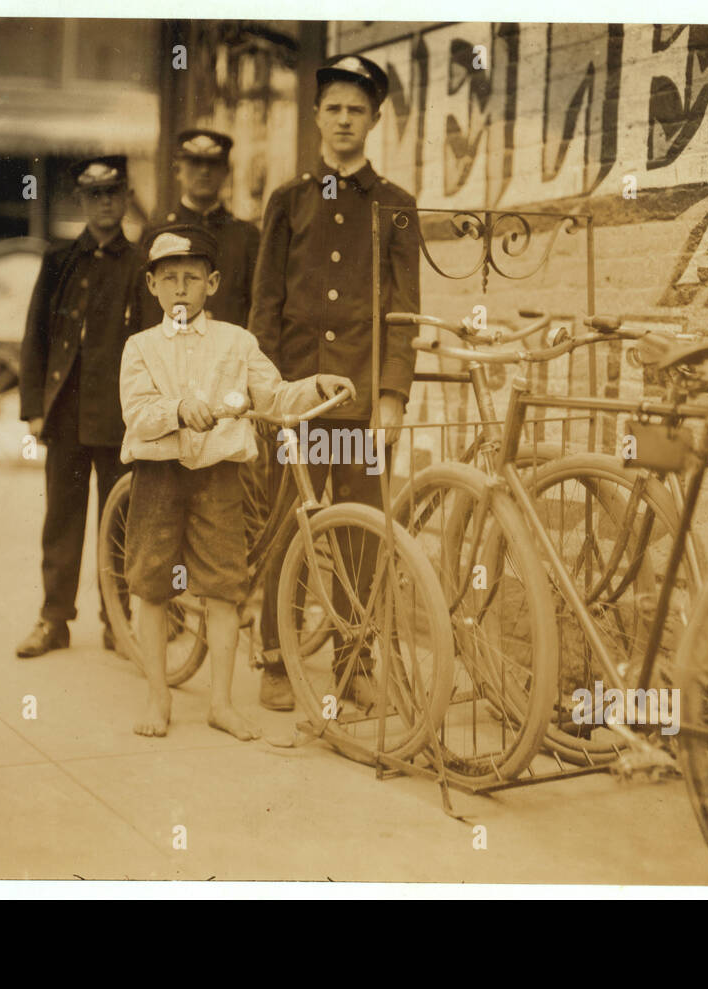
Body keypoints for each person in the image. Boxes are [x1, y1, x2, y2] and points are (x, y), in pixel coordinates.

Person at [119, 224, 354, 738]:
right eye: (169, 278)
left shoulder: (237, 342)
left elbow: (272, 396)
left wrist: (315, 385)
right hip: (159, 475)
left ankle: (221, 703)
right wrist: (179, 410)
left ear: (214, 283)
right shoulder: (139, 348)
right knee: (153, 586)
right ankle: (158, 697)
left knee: (225, 588)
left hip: (219, 477)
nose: (180, 288)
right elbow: (137, 413)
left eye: (192, 277)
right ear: (152, 286)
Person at [248, 54, 421, 710]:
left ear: (374, 120)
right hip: (295, 399)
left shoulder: (396, 207)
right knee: (287, 523)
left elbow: (403, 310)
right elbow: (265, 302)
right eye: (334, 109)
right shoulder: (289, 200)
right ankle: (273, 656)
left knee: (359, 533)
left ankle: (354, 661)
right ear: (318, 117)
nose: (345, 120)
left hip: (361, 401)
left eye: (358, 110)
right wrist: (263, 389)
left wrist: (393, 394)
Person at [16, 155, 144, 658]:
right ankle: (53, 620)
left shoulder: (141, 264)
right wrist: (33, 406)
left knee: (121, 521)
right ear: (81, 201)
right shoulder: (59, 260)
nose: (104, 202)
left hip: (121, 417)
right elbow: (36, 337)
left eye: (113, 192)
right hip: (67, 411)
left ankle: (119, 620)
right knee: (61, 520)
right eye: (94, 194)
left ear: (127, 196)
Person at [140, 129, 259, 327]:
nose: (204, 171)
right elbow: (146, 306)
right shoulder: (156, 233)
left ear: (226, 171)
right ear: (178, 170)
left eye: (213, 164)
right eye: (195, 163)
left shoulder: (246, 236)